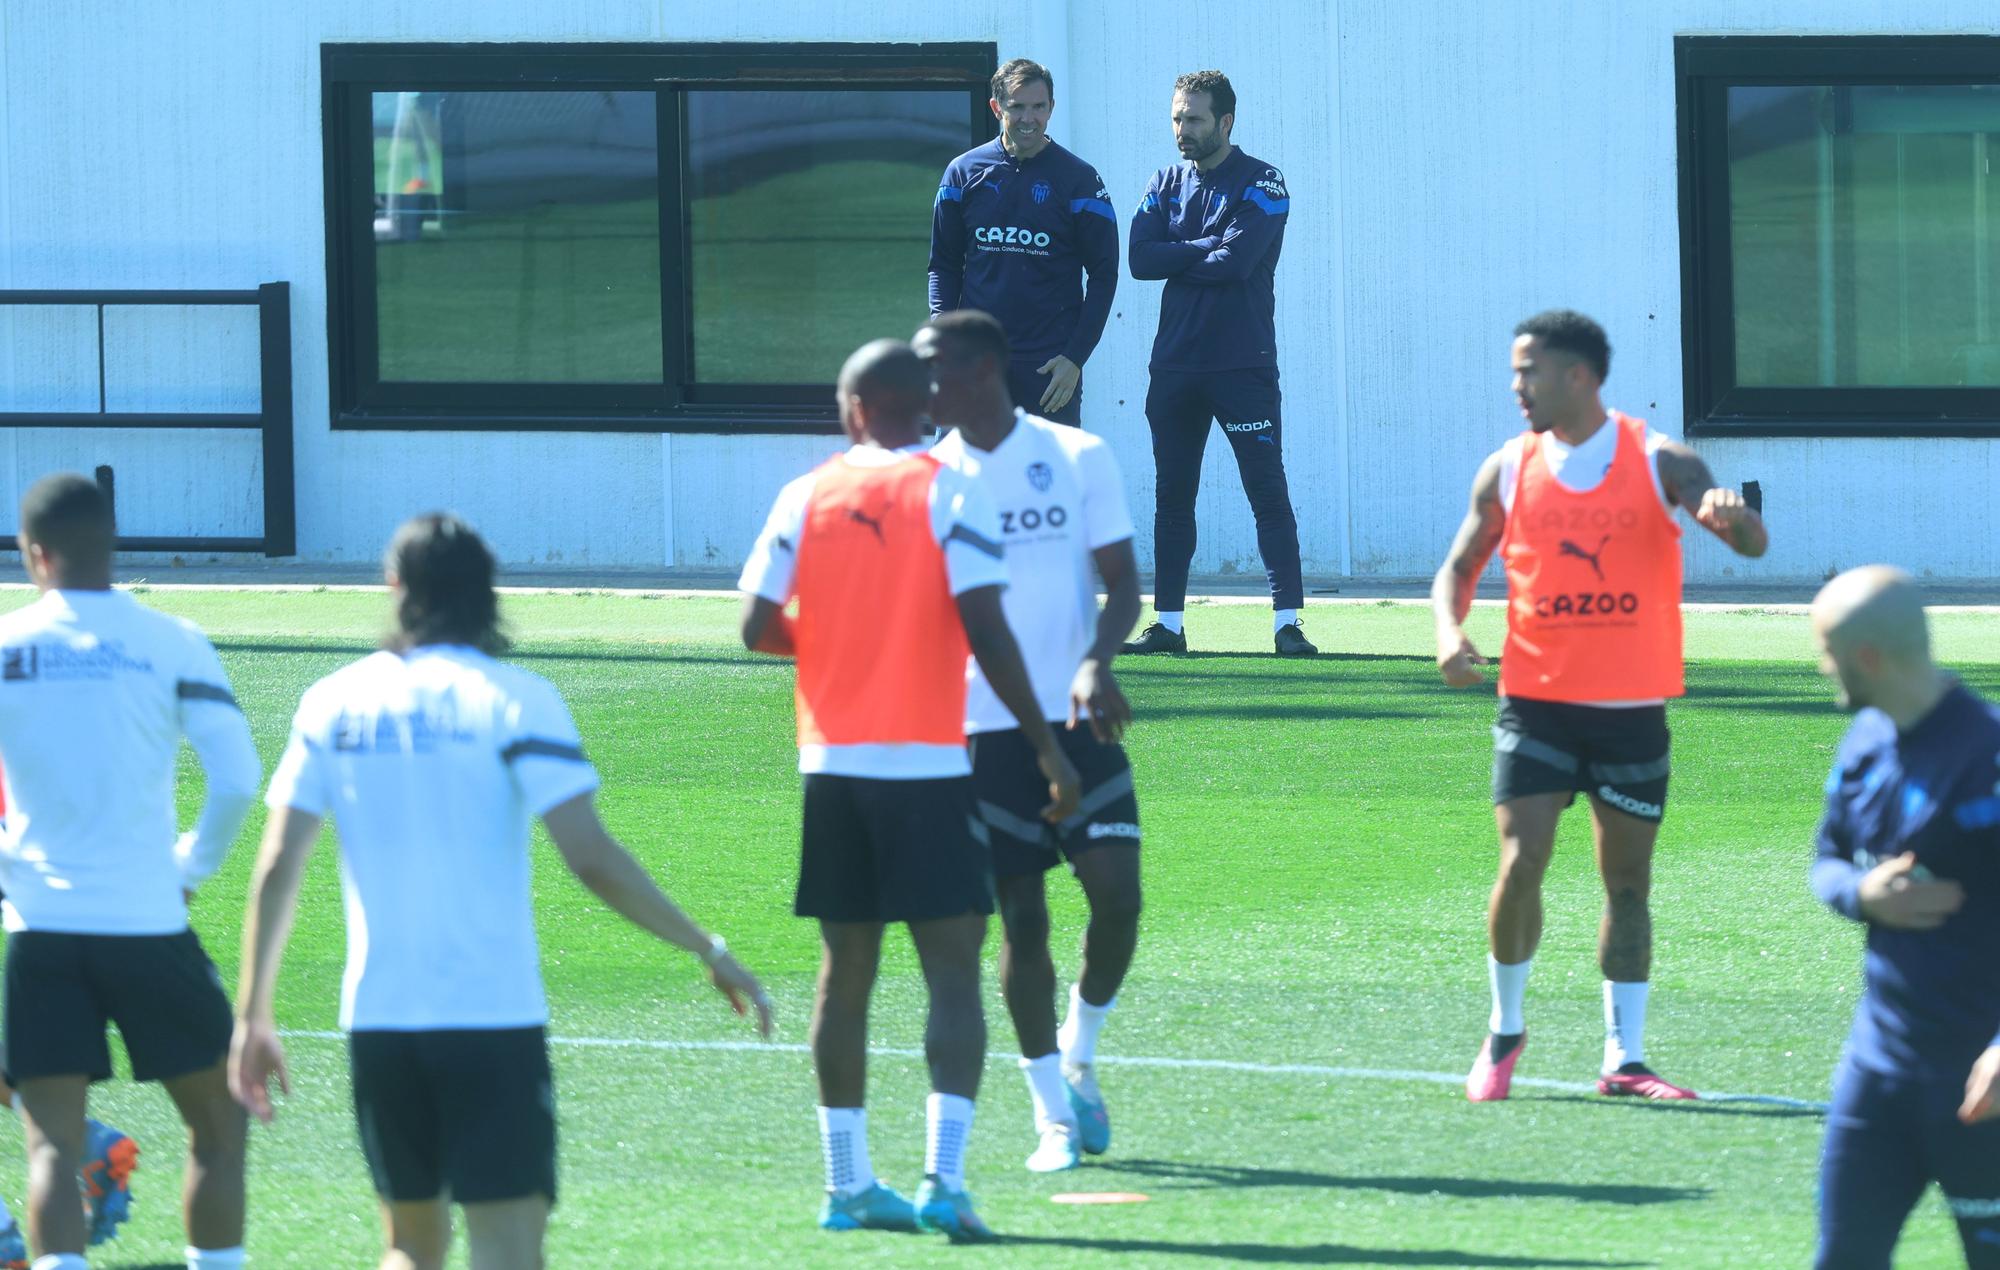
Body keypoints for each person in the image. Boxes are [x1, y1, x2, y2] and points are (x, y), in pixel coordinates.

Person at [231, 513, 771, 1270]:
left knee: (410, 1249)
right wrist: (706, 946)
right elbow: (591, 858)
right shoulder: (518, 699)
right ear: (488, 593)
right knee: (508, 1249)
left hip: (379, 1021)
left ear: (394, 587)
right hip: (491, 1019)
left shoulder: (332, 703)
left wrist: (253, 1013)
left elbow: (277, 865)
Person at [739, 339, 1079, 1238]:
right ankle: (944, 1180)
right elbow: (989, 632)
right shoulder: (949, 487)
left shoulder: (803, 493)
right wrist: (1047, 748)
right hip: (929, 767)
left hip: (833, 768)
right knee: (952, 977)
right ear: (922, 405)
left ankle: (847, 1185)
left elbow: (754, 624)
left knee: (842, 978)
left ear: (851, 409)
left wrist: (839, 651)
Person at [1431, 309, 1768, 1103]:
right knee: (1521, 862)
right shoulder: (1507, 469)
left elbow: (1751, 542)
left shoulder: (1660, 461)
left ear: (1579, 376)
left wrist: (1734, 520)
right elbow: (1457, 567)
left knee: (1627, 885)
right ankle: (1505, 1031)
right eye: (1516, 372)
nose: (1518, 387)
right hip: (1536, 705)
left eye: (1531, 372)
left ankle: (1625, 1058)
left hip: (1630, 711)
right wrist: (1450, 632)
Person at [0, 473, 260, 1270]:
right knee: (218, 1127)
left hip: (40, 931)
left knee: (49, 1147)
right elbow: (240, 778)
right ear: (114, 545)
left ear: (30, 553)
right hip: (148, 923)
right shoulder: (172, 641)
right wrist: (191, 867)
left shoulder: (6, 646)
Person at [921, 310, 1145, 1173]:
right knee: (1022, 917)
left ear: (981, 372)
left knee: (1118, 897)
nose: (921, 386)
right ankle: (1052, 1111)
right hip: (979, 730)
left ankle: (1080, 1042)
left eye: (933, 369)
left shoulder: (1076, 454)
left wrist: (1098, 661)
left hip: (1079, 717)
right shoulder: (926, 477)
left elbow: (1122, 581)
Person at [1807, 566, 2000, 1268]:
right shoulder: (1865, 740)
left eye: (1826, 650)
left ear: (1866, 658)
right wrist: (1861, 897)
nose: (1821, 666)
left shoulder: (1987, 756)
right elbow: (1827, 859)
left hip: (1983, 1080)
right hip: (1878, 1072)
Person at [1123, 69, 1314, 658]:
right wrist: (1206, 246)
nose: (1182, 129)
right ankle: (1170, 626)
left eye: (1195, 119)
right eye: (1178, 117)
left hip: (1242, 367)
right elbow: (1138, 258)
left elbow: (1235, 266)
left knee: (1267, 492)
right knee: (1172, 497)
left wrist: (1179, 255)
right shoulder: (1164, 181)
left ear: (1225, 122)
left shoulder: (1265, 182)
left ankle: (1287, 625)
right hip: (1175, 367)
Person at [927, 58, 1118, 428]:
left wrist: (1075, 358)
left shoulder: (1079, 179)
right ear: (996, 107)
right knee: (968, 481)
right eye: (1017, 107)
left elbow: (1104, 275)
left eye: (1039, 107)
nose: (1029, 118)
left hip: (1048, 368)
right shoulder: (962, 173)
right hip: (975, 364)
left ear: (1051, 108)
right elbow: (944, 265)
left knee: (1047, 484)